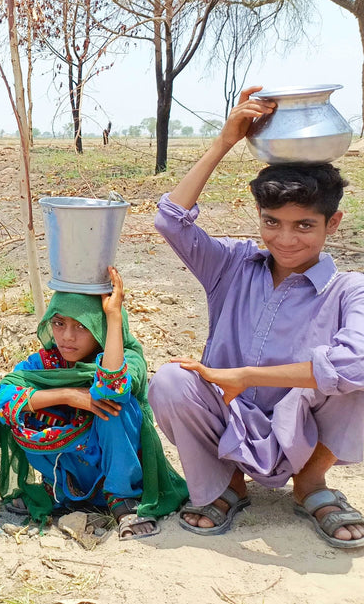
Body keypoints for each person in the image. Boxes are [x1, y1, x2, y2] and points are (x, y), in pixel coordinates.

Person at [149, 85, 364, 547]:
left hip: (304, 424)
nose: (285, 239)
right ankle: (227, 485)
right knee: (168, 381)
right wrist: (224, 141)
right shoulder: (231, 264)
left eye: (304, 225)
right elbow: (170, 220)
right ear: (260, 216)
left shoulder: (350, 289)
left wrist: (246, 374)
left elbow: (355, 364)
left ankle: (311, 483)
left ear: (333, 223)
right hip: (230, 414)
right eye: (272, 222)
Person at [0, 267, 187, 539]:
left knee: (113, 406)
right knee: (21, 409)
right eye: (59, 323)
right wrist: (68, 395)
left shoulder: (129, 358)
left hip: (112, 469)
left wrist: (114, 317)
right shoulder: (45, 364)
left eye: (81, 326)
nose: (67, 336)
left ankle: (122, 499)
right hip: (68, 474)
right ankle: (58, 490)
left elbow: (112, 388)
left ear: (100, 327)